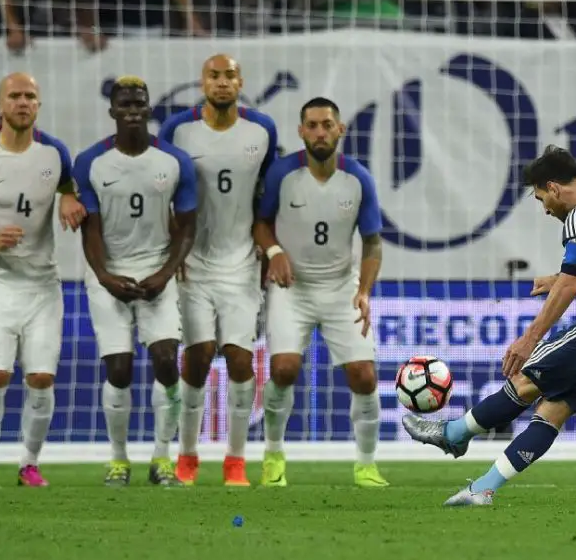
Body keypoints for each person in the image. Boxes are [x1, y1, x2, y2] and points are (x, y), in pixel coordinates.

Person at [403, 146, 576, 506]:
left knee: (524, 380)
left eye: (542, 199)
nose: (546, 209)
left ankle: (454, 433)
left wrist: (530, 338)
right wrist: (558, 277)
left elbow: (571, 287)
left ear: (553, 187)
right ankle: (483, 489)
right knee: (553, 409)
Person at [0, 73, 86, 488]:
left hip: (42, 285)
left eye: (30, 96)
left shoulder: (55, 152)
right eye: (14, 96)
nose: (22, 102)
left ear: (39, 104)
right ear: (0, 105)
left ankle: (29, 464)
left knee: (42, 379)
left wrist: (69, 197)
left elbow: (67, 185)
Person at [253, 97, 388, 488]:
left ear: (340, 129)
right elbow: (260, 223)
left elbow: (373, 243)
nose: (319, 132)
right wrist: (274, 252)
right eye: (311, 125)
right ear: (301, 132)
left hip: (341, 286)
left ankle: (366, 465)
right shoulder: (282, 173)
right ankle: (273, 455)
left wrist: (364, 291)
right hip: (290, 288)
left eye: (327, 125)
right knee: (283, 369)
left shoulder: (358, 178)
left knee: (364, 376)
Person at [73, 76, 198, 487]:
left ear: (148, 109)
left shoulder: (175, 161)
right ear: (112, 111)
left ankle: (162, 458)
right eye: (124, 104)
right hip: (108, 273)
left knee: (166, 360)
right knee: (119, 369)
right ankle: (119, 460)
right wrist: (105, 275)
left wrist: (165, 273)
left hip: (157, 270)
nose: (132, 111)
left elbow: (187, 227)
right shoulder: (90, 162)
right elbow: (90, 229)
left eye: (138, 104)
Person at [160, 55, 278, 488]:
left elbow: (268, 194)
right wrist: (171, 255)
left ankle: (236, 460)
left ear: (240, 82)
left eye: (229, 75)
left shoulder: (261, 129)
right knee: (197, 357)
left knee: (241, 359)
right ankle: (187, 456)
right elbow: (162, 191)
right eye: (214, 75)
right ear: (202, 82)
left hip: (241, 263)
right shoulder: (178, 129)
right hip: (193, 264)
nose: (222, 82)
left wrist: (269, 249)